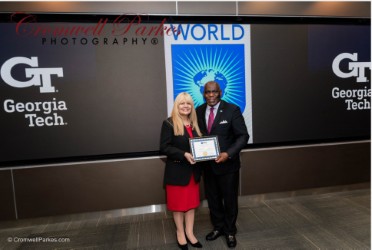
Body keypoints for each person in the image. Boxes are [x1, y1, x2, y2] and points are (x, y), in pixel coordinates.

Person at [196, 81, 249, 248]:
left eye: (214, 92)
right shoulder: (198, 111)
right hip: (208, 165)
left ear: (220, 92)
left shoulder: (232, 110)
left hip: (228, 166)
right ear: (203, 94)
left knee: (230, 199)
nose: (211, 95)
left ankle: (230, 231)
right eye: (207, 92)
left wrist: (228, 153)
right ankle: (218, 227)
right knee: (213, 199)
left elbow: (243, 136)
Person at [160, 92, 203, 250]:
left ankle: (190, 233)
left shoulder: (195, 124)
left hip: (193, 173)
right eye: (182, 104)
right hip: (177, 172)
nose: (185, 106)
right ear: (176, 106)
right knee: (178, 206)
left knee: (191, 205)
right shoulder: (169, 123)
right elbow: (164, 148)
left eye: (188, 104)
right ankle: (180, 233)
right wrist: (184, 154)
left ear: (192, 106)